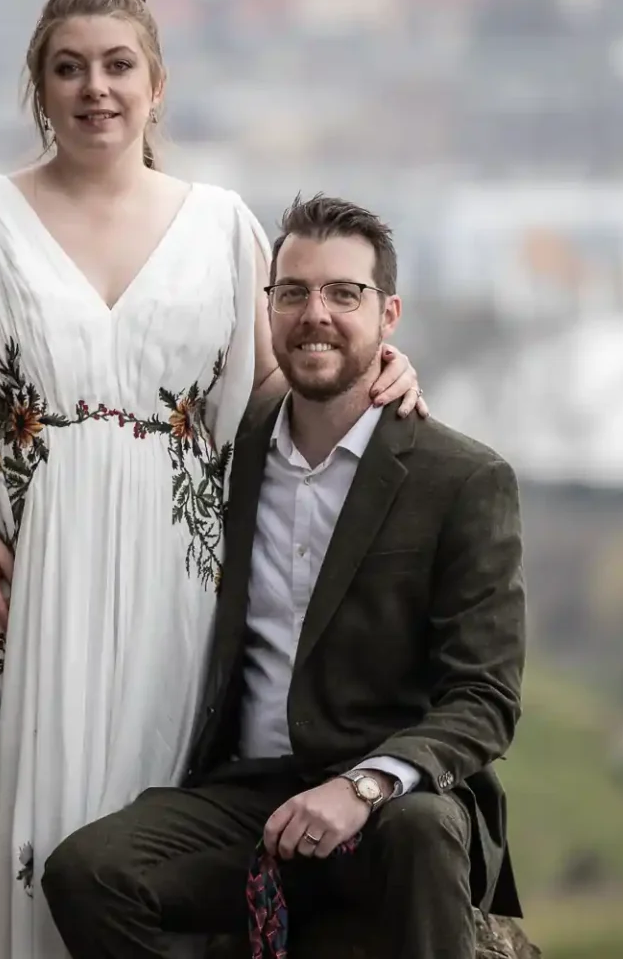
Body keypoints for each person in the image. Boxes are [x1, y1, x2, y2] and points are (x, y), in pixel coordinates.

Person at [0, 0, 431, 958]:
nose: (95, 88)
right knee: (38, 834)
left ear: (157, 85)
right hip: (30, 585)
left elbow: (275, 397)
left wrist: (380, 366)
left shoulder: (222, 225)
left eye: (118, 65)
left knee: (148, 830)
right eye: (67, 66)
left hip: (184, 589)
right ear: (39, 85)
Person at [38, 193, 527, 959]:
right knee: (87, 873)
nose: (316, 313)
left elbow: (486, 699)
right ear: (268, 310)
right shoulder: (229, 455)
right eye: (294, 292)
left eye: (344, 294)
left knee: (426, 828)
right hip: (251, 798)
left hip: (395, 812)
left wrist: (364, 786)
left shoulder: (462, 479)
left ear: (388, 315)